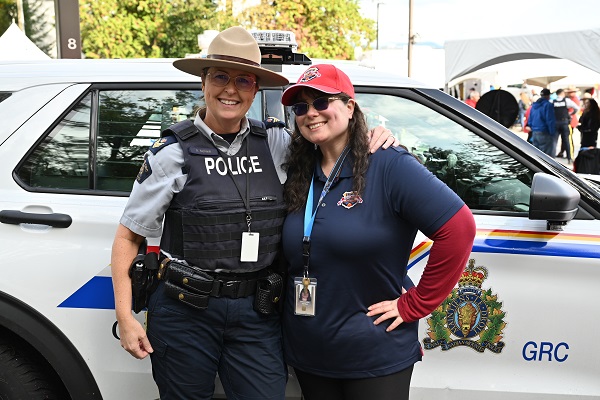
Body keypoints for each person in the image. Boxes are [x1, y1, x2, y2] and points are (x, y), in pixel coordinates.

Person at [111, 27, 398, 400]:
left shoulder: (277, 142)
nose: (230, 90)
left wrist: (376, 137)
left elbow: (332, 143)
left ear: (255, 89)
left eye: (243, 80)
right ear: (204, 81)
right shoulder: (172, 153)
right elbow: (128, 237)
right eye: (220, 77)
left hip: (256, 312)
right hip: (185, 311)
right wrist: (126, 317)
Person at [279, 64, 476, 400]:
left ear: (350, 107)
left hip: (374, 357)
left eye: (322, 102)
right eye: (301, 107)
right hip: (310, 354)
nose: (311, 113)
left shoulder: (387, 164)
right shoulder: (299, 169)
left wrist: (415, 304)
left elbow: (459, 228)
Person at [553, 88, 580, 163]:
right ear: (562, 93)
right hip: (564, 122)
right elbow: (576, 108)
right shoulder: (566, 100)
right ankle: (570, 158)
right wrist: (571, 114)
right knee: (567, 140)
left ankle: (552, 158)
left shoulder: (553, 101)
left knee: (554, 141)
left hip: (555, 122)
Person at [528, 88, 557, 157]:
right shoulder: (548, 105)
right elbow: (550, 120)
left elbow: (530, 119)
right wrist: (552, 132)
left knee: (537, 155)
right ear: (548, 96)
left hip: (535, 132)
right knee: (546, 156)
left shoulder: (534, 105)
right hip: (545, 132)